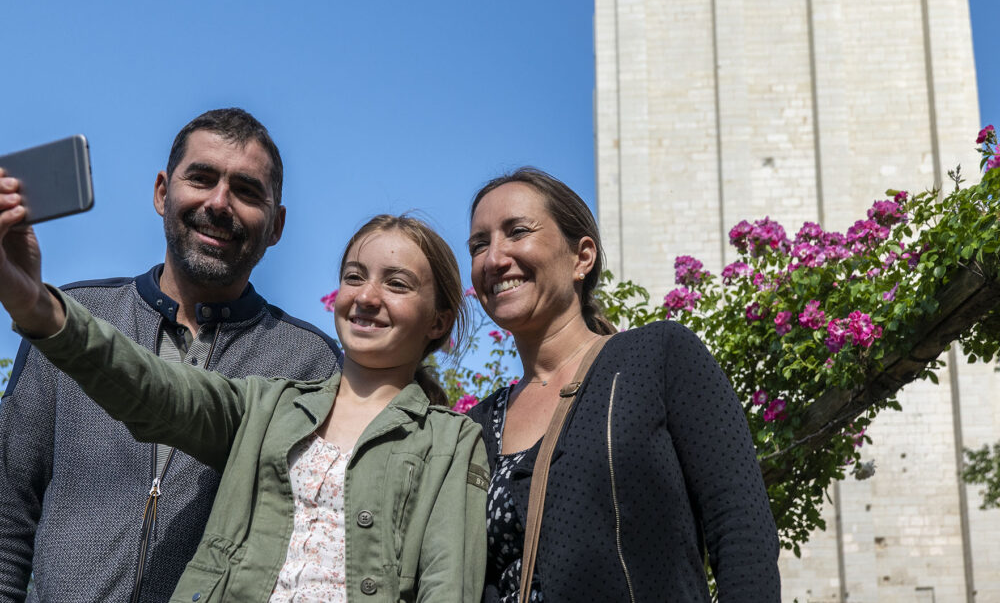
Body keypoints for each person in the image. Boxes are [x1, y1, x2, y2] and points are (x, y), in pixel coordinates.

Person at [0, 194, 489, 602]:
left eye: (397, 283)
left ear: (439, 320)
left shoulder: (451, 440)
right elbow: (153, 390)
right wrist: (41, 310)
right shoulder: (266, 407)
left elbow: (448, 586)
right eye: (355, 276)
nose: (366, 296)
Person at [0, 109, 340, 603]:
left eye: (246, 191)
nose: (219, 203)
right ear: (163, 192)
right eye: (201, 178)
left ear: (277, 225)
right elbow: (7, 512)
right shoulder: (66, 319)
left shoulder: (311, 364)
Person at [464, 167, 781, 602]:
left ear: (582, 257)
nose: (494, 257)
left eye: (517, 231)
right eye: (479, 244)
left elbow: (742, 529)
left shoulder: (658, 357)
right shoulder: (476, 426)